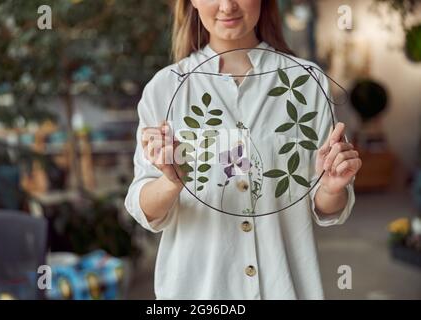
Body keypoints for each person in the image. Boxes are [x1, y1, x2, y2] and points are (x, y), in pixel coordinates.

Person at [125, 0, 362, 299]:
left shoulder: (306, 83)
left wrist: (331, 187)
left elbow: (327, 207)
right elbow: (142, 206)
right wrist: (171, 182)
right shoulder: (165, 88)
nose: (227, 6)